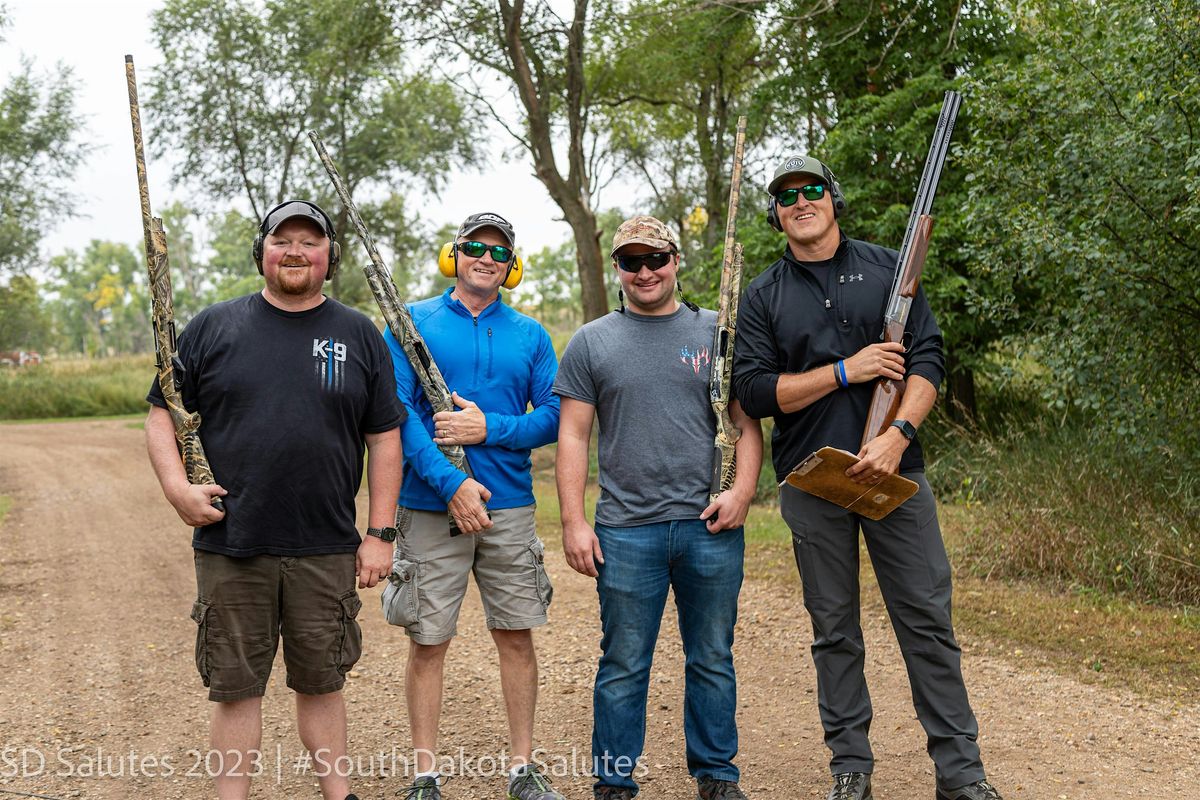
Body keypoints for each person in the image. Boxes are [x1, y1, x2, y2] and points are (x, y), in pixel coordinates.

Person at [731, 156, 1004, 800]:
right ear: (776, 214)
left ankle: (961, 774)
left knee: (927, 621)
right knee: (834, 629)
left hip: (895, 474)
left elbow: (928, 358)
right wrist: (845, 372)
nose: (801, 201)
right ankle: (850, 768)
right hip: (811, 480)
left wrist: (897, 434)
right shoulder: (764, 294)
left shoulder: (887, 269)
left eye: (812, 189)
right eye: (786, 195)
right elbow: (754, 390)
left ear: (833, 198)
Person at [145, 199, 405, 800]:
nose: (295, 251)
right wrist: (177, 490)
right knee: (235, 688)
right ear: (260, 251)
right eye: (281, 239)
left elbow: (384, 437)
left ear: (329, 257)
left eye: (310, 242)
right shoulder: (214, 326)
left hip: (325, 546)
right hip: (232, 543)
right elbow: (163, 415)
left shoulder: (358, 334)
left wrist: (380, 533)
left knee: (322, 684)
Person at [554, 216, 763, 800]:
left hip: (710, 526)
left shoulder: (720, 333)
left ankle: (717, 775)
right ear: (618, 269)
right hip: (625, 531)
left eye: (656, 258)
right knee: (623, 663)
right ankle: (614, 780)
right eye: (631, 261)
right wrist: (573, 521)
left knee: (713, 656)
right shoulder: (592, 341)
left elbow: (746, 425)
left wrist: (743, 490)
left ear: (677, 260)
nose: (645, 271)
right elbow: (573, 436)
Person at [384, 212, 563, 800]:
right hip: (430, 506)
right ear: (453, 254)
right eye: (473, 247)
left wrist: (489, 431)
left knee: (516, 635)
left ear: (511, 265)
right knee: (429, 641)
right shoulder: (412, 322)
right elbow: (397, 413)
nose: (485, 257)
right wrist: (449, 484)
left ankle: (521, 771)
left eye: (498, 251)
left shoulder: (532, 335)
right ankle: (425, 776)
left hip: (509, 507)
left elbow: (554, 417)